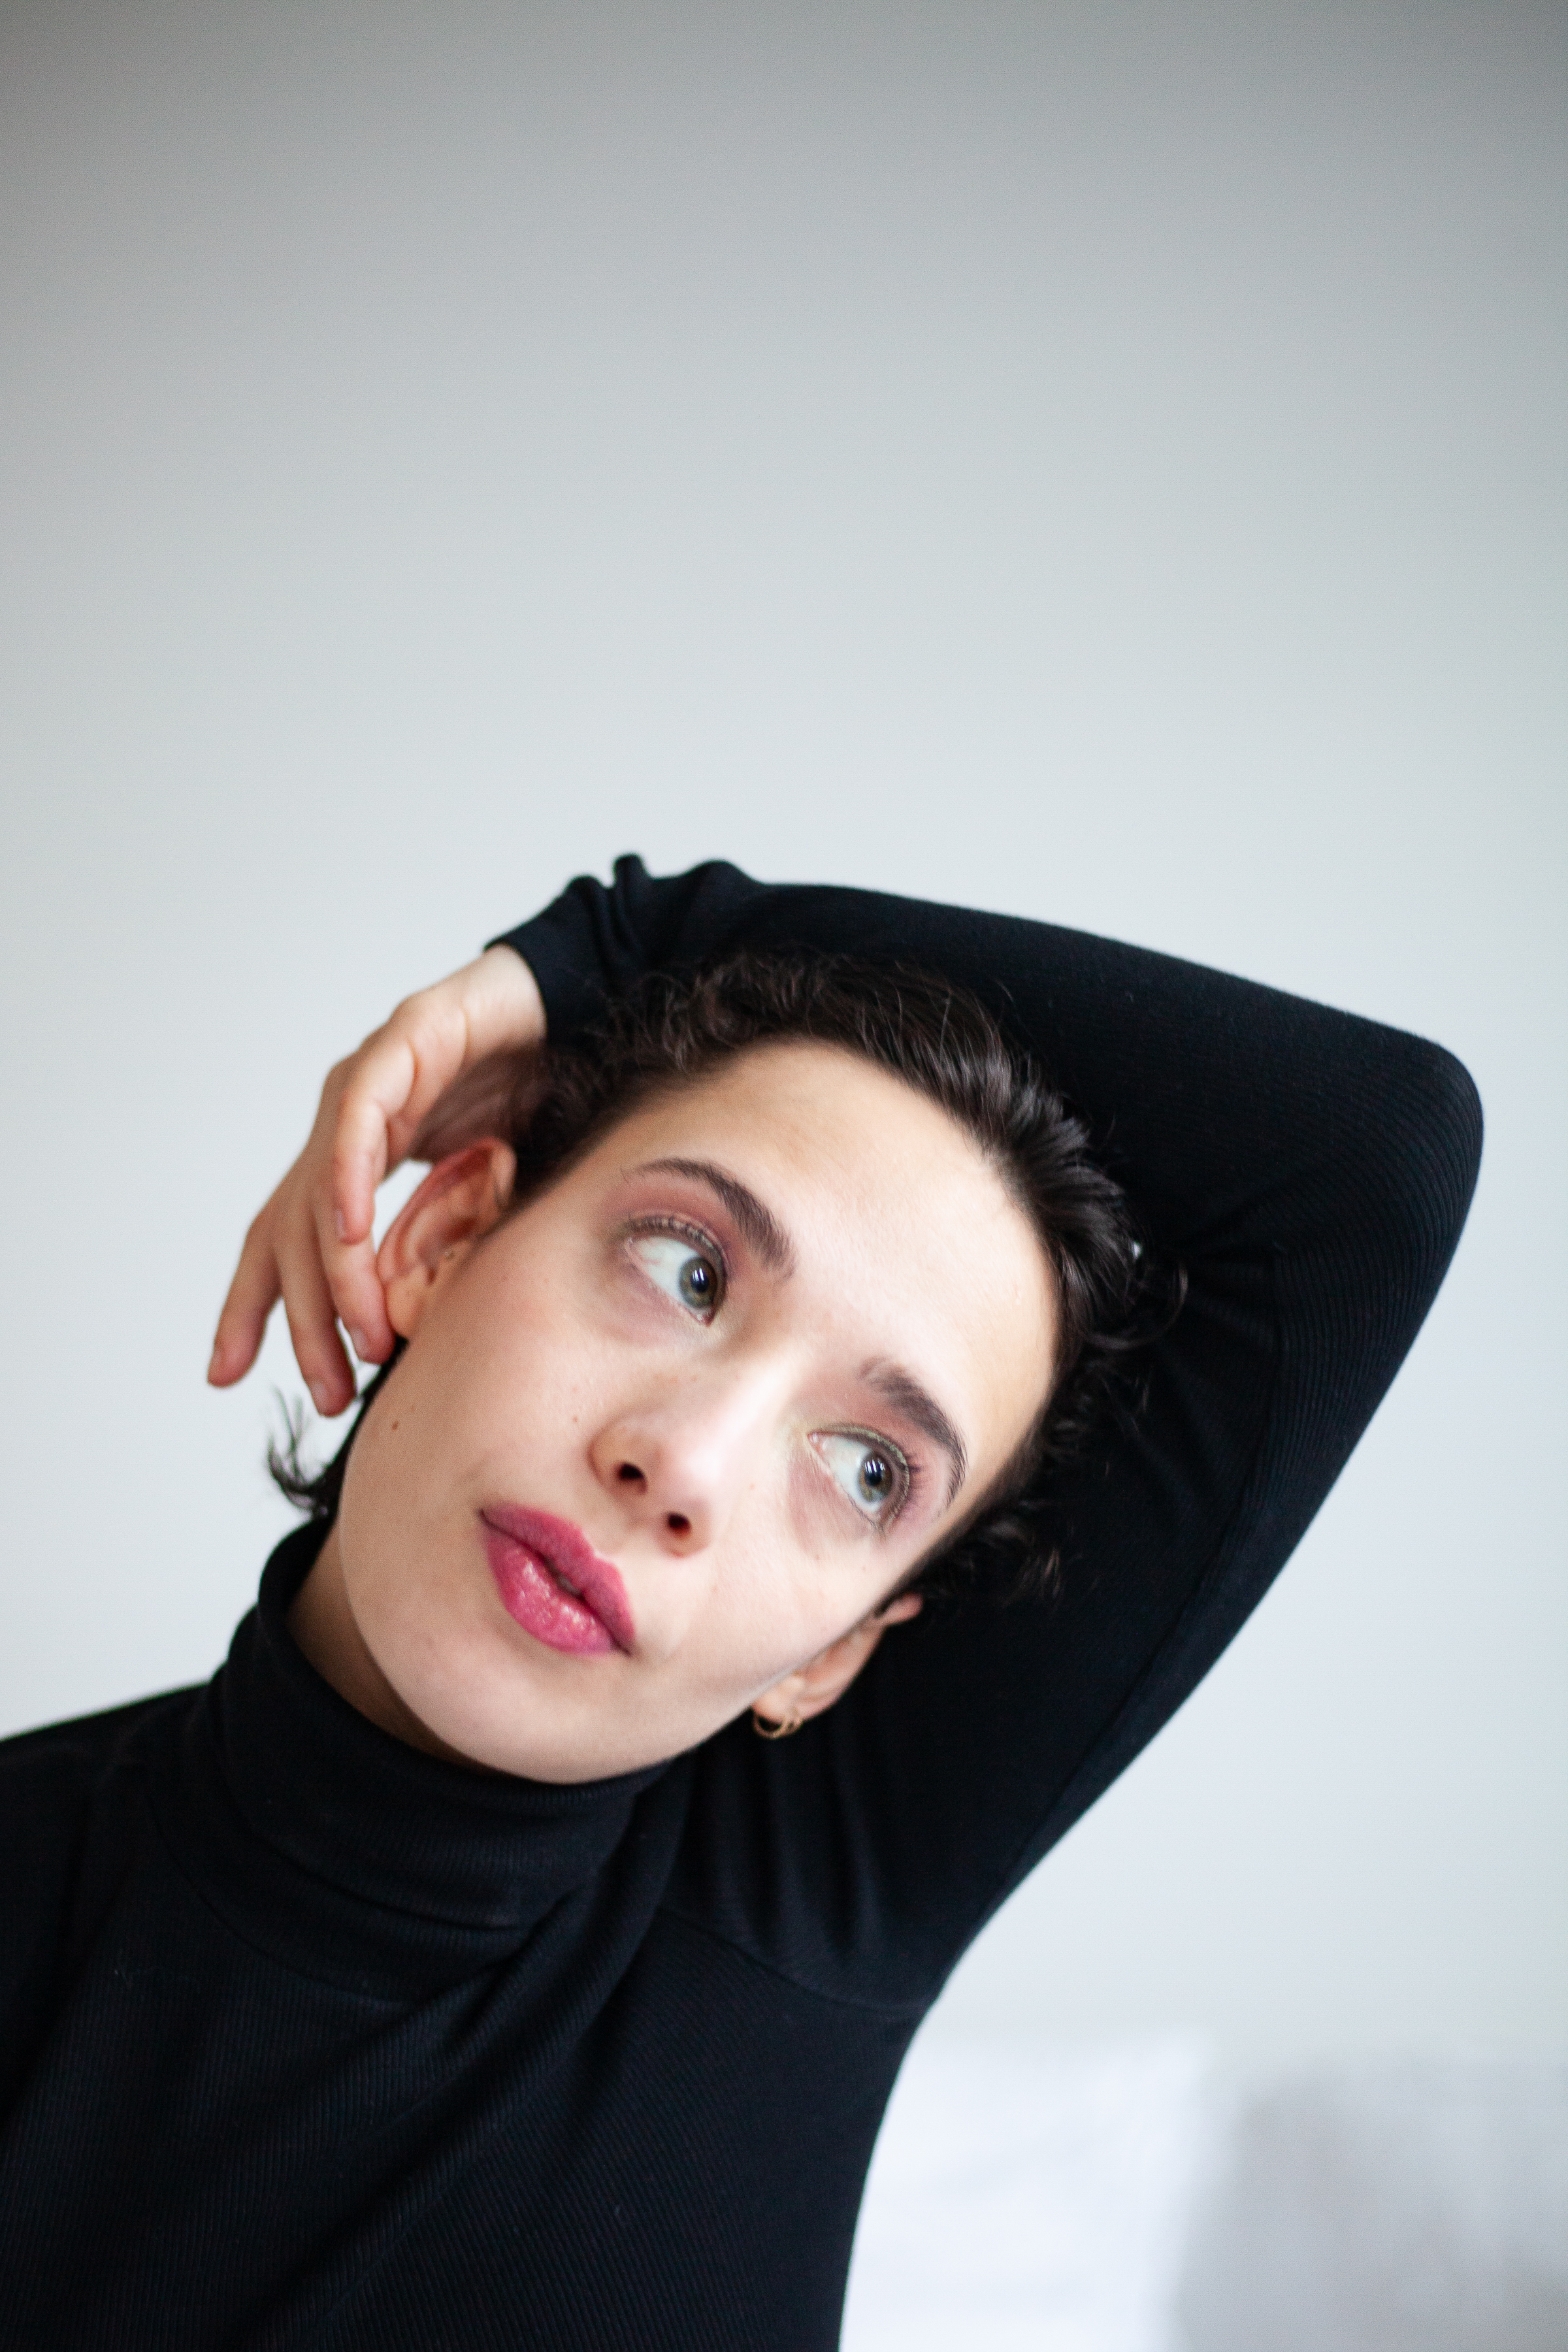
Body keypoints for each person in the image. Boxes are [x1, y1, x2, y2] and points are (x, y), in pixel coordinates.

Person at [0, 856, 1480, 2350]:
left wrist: (623, 938)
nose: (685, 1466)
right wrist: (620, 950)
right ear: (446, 1240)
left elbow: (1376, 1153)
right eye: (688, 1269)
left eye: (864, 1470)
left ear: (832, 1655)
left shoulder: (808, 1888)